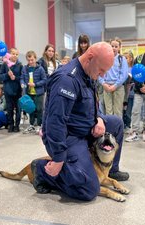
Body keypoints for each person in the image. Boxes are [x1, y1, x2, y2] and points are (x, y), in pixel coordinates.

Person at [30, 42, 129, 201]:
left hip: (84, 127)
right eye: (102, 70)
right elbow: (55, 122)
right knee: (89, 189)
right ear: (90, 58)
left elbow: (90, 104)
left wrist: (99, 118)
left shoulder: (89, 72)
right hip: (68, 136)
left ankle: (110, 170)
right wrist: (59, 157)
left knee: (116, 123)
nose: (103, 75)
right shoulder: (67, 79)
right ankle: (41, 170)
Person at [98, 37, 128, 117]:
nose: (114, 48)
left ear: (119, 48)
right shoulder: (104, 58)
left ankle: (117, 129)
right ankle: (110, 128)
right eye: (112, 46)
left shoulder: (122, 59)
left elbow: (124, 75)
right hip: (106, 87)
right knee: (108, 110)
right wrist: (103, 83)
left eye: (116, 46)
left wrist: (115, 85)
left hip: (118, 87)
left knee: (117, 111)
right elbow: (99, 72)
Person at [21, 51, 47, 134]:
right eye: (28, 60)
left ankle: (39, 126)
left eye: (32, 60)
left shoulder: (40, 69)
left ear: (35, 58)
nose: (30, 62)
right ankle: (31, 125)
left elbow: (44, 80)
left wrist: (35, 84)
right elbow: (22, 78)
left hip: (39, 93)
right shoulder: (25, 68)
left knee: (39, 109)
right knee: (30, 109)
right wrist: (22, 83)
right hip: (29, 93)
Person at [0, 48, 23, 132]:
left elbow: (22, 77)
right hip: (8, 90)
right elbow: (0, 76)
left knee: (18, 109)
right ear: (9, 54)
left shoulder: (20, 65)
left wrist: (15, 77)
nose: (15, 55)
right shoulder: (5, 64)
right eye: (13, 53)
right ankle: (11, 125)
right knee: (9, 109)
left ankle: (17, 125)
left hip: (17, 90)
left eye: (16, 54)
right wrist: (7, 75)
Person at [122, 50, 134, 131]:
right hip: (123, 93)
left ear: (131, 59)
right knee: (123, 110)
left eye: (126, 58)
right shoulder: (122, 69)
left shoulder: (133, 69)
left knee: (128, 111)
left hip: (131, 94)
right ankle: (123, 124)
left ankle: (128, 124)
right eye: (123, 58)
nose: (125, 59)